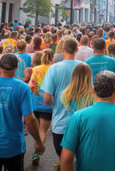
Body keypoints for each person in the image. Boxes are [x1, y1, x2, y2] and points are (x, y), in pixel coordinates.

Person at [0, 54, 45, 170]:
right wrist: (39, 142)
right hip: (13, 146)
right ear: (16, 67)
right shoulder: (22, 87)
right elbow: (30, 119)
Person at [40, 38, 80, 168]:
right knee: (79, 158)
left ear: (63, 50)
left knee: (63, 159)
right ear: (77, 50)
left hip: (60, 122)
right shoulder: (84, 67)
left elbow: (46, 99)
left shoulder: (54, 68)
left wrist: (56, 104)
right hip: (81, 120)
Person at [28, 48, 54, 165]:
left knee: (37, 131)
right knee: (43, 130)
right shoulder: (53, 69)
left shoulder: (35, 69)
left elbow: (31, 86)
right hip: (47, 104)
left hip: (35, 103)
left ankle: (36, 148)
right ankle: (36, 153)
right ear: (52, 57)